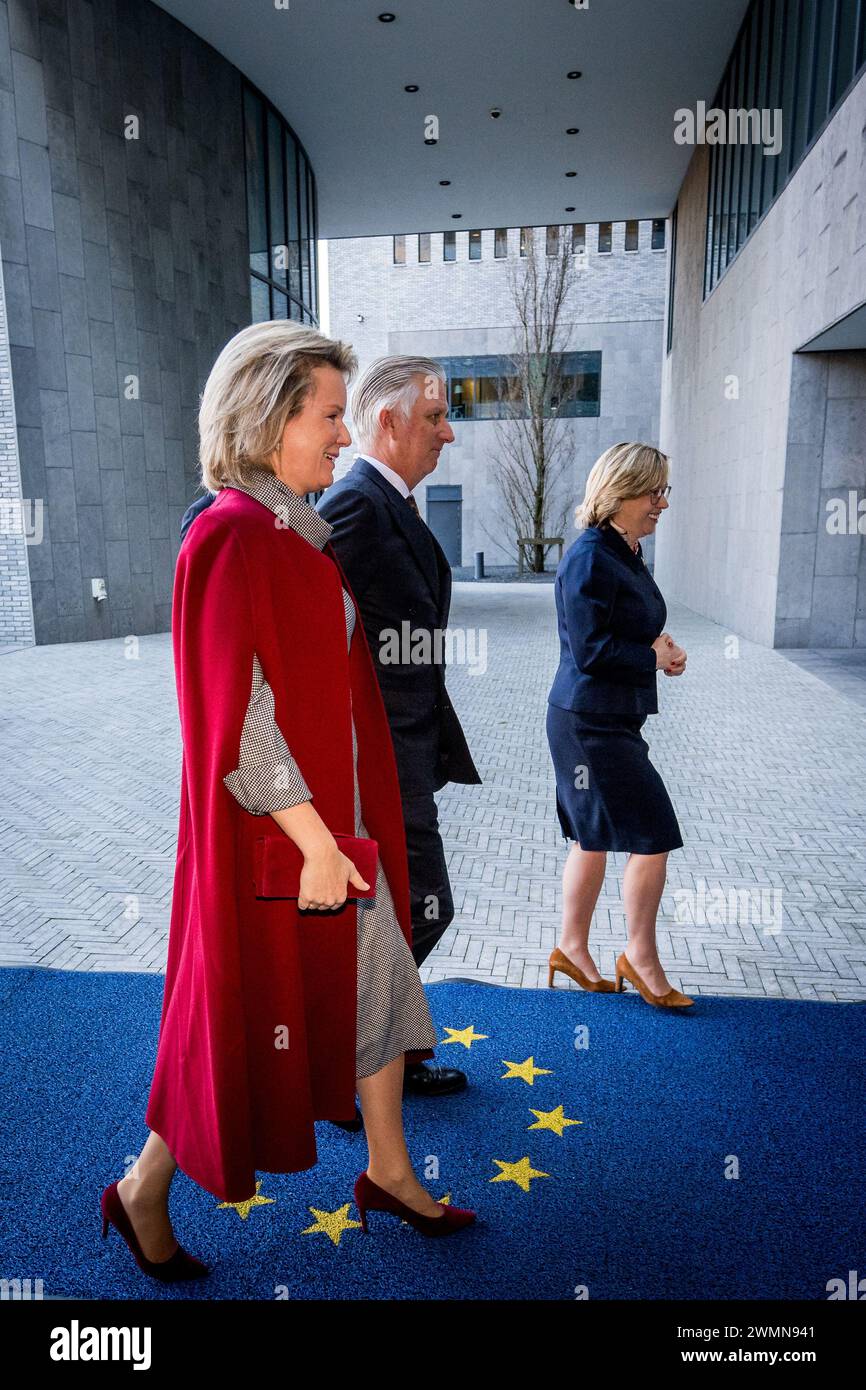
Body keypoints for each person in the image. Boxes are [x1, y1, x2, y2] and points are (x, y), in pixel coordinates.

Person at [99, 323, 475, 1282]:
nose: (342, 437)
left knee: (383, 990)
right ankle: (143, 1189)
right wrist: (314, 844)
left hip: (335, 835)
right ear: (267, 419)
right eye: (328, 416)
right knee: (231, 1023)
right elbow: (242, 721)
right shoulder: (229, 534)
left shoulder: (290, 530)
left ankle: (389, 1170)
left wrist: (341, 835)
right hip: (290, 844)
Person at [316, 357, 482, 1098]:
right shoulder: (353, 506)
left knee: (406, 908)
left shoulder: (395, 505)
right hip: (377, 756)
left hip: (409, 748)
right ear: (388, 423)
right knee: (424, 903)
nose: (448, 433)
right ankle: (348, 1053)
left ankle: (387, 1052)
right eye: (436, 418)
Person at [545, 442, 693, 1009]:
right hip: (589, 723)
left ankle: (572, 949)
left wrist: (660, 649)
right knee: (652, 834)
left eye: (665, 491)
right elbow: (589, 651)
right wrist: (650, 657)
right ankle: (640, 958)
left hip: (608, 717)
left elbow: (619, 632)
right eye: (654, 491)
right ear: (621, 491)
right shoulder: (589, 555)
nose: (662, 503)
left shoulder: (623, 550)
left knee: (593, 836)